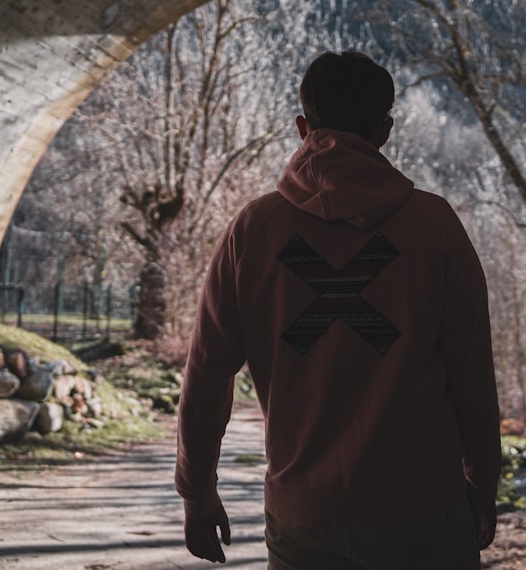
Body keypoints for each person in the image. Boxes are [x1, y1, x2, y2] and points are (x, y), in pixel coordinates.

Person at [175, 50, 501, 569]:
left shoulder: (254, 229)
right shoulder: (435, 226)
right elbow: (472, 374)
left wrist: (196, 491)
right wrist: (484, 481)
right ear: (385, 129)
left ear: (303, 127)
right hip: (424, 515)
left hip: (304, 517)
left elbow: (206, 374)